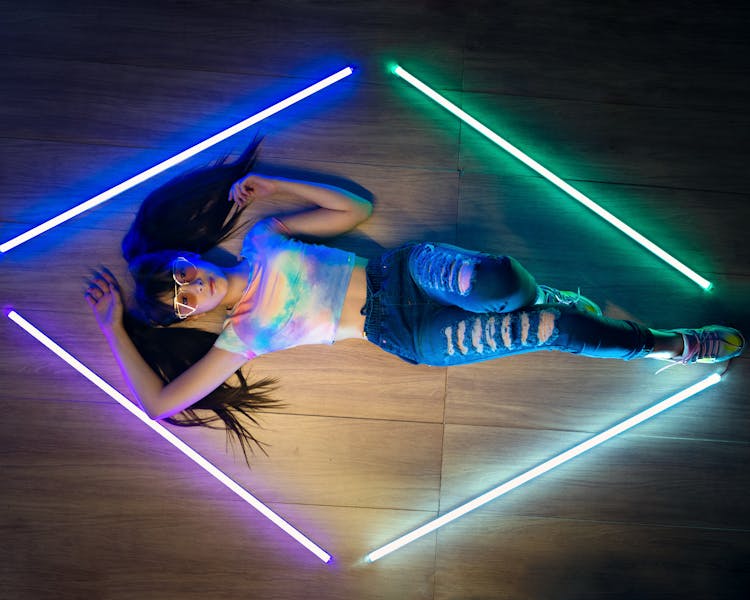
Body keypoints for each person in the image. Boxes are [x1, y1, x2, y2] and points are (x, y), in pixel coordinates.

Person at [85, 140, 745, 464]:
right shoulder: (242, 338)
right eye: (176, 303)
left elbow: (355, 208)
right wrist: (117, 327)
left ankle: (549, 297)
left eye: (178, 275)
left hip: (406, 275)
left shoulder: (265, 239)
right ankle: (663, 343)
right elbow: (162, 402)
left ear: (187, 255)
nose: (188, 290)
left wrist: (273, 186)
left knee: (501, 282)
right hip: (403, 336)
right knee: (552, 328)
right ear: (186, 318)